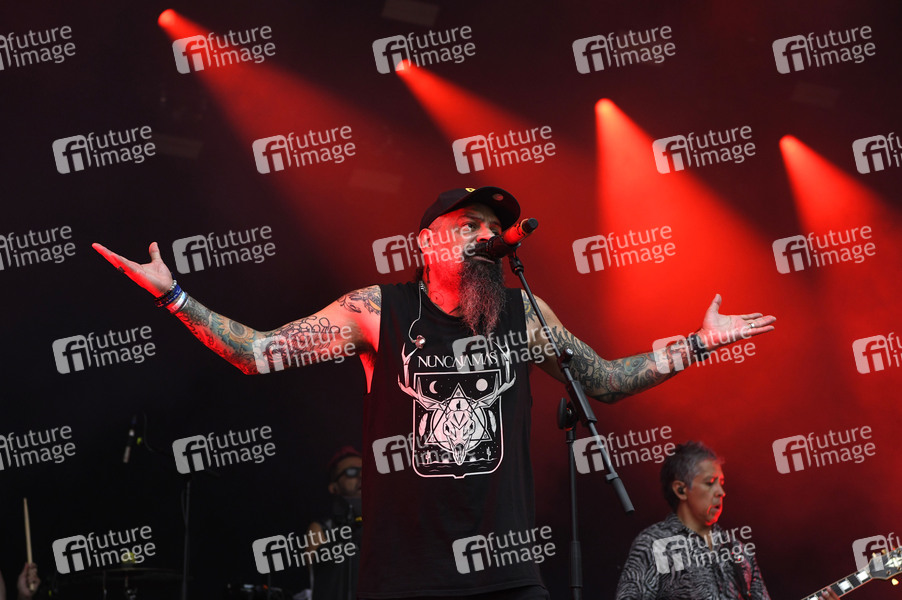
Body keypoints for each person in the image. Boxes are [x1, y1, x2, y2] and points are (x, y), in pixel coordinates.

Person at [93, 186, 776, 599]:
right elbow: (257, 353)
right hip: (408, 576)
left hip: (509, 573)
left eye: (491, 228)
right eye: (468, 225)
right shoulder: (376, 310)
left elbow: (604, 380)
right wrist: (175, 296)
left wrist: (698, 343)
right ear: (426, 242)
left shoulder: (524, 315)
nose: (486, 234)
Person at [614, 441, 839, 600]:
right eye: (710, 483)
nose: (721, 492)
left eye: (721, 483)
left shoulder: (738, 550)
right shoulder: (655, 544)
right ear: (681, 490)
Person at [305, 447, 362, 600]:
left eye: (365, 470)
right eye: (352, 472)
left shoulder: (383, 522)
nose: (361, 476)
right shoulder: (321, 527)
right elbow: (320, 578)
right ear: (334, 487)